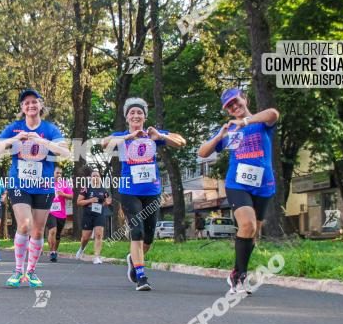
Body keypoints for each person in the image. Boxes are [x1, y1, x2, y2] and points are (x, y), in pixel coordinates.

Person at [197, 88, 279, 294]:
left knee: (252, 232)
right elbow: (202, 152)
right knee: (248, 224)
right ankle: (240, 277)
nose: (234, 107)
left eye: (236, 102)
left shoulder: (260, 123)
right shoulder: (228, 129)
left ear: (245, 99)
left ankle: (236, 271)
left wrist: (244, 122)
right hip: (237, 183)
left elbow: (273, 114)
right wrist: (220, 137)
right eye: (229, 106)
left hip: (264, 185)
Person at [102, 97, 185, 291]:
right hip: (129, 191)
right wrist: (127, 138)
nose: (136, 115)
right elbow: (104, 143)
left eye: (139, 112)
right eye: (132, 113)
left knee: (148, 238)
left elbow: (181, 142)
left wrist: (161, 136)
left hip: (152, 191)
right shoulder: (121, 136)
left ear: (145, 117)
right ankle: (141, 275)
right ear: (127, 118)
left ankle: (133, 258)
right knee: (136, 231)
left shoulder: (152, 135)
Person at [0, 89, 70, 288]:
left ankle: (31, 271)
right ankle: (18, 270)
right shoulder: (14, 128)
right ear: (22, 108)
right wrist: (14, 140)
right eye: (26, 103)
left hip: (43, 185)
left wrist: (41, 140)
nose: (30, 105)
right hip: (19, 184)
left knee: (37, 231)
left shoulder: (50, 129)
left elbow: (65, 152)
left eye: (34, 102)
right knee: (25, 225)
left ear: (40, 105)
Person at [74, 168, 111, 264]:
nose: (95, 178)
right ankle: (82, 248)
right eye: (93, 176)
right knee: (86, 237)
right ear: (90, 178)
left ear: (100, 178)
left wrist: (106, 203)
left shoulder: (104, 190)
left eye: (97, 176)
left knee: (99, 235)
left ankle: (97, 257)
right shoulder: (86, 188)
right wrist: (90, 200)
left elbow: (106, 202)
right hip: (88, 215)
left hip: (99, 215)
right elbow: (78, 202)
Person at [46, 165, 72, 262]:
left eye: (60, 173)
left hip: (61, 213)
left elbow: (71, 196)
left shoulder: (64, 184)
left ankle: (54, 252)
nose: (59, 175)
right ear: (53, 173)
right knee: (52, 230)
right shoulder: (47, 183)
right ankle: (52, 251)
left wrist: (63, 194)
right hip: (50, 211)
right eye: (57, 173)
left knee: (57, 235)